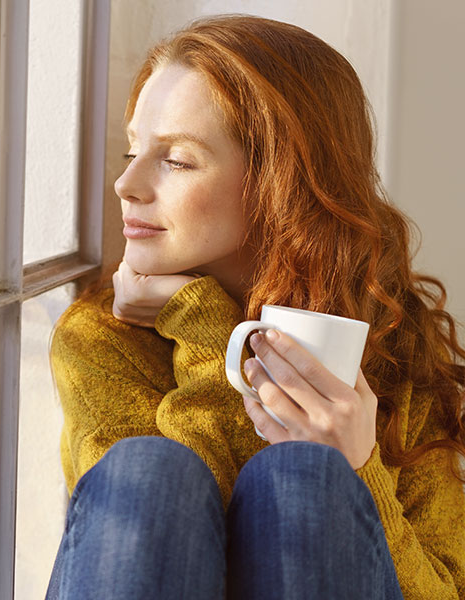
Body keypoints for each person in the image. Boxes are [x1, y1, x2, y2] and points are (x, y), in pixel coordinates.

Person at [45, 14, 465, 600]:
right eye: (132, 150)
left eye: (177, 160)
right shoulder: (102, 335)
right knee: (151, 470)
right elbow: (170, 545)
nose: (126, 183)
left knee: (305, 477)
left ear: (281, 182)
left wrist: (356, 464)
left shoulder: (391, 337)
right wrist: (199, 321)